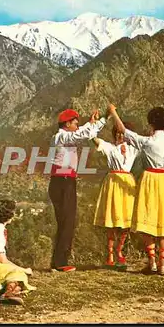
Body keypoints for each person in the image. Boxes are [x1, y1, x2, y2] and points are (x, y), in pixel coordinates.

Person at [110, 104, 164, 276]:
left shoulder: (147, 142)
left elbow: (122, 129)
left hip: (149, 180)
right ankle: (162, 264)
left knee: (148, 222)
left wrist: (113, 112)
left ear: (151, 124)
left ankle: (152, 261)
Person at [48, 107, 109, 272]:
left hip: (63, 181)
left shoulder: (64, 136)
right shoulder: (62, 136)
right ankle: (61, 262)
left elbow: (83, 131)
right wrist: (94, 123)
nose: (77, 125)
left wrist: (101, 120)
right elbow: (83, 134)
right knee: (67, 221)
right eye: (75, 123)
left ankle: (58, 260)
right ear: (67, 124)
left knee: (65, 222)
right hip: (63, 181)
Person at [92, 122, 139, 270]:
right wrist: (94, 126)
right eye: (117, 133)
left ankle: (119, 250)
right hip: (113, 182)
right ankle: (110, 254)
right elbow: (95, 139)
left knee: (126, 220)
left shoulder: (133, 149)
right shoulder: (110, 148)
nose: (120, 135)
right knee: (112, 219)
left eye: (122, 133)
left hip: (127, 182)